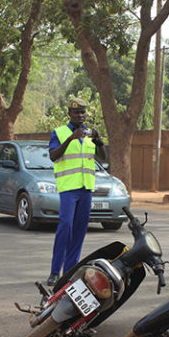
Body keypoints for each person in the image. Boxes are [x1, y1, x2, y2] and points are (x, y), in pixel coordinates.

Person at [46, 97, 106, 287]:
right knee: (65, 226)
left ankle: (70, 272)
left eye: (83, 112)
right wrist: (71, 138)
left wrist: (99, 140)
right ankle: (55, 271)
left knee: (80, 230)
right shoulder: (60, 133)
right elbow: (53, 156)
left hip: (86, 188)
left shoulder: (89, 134)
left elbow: (103, 158)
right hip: (68, 189)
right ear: (70, 114)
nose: (80, 115)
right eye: (76, 112)